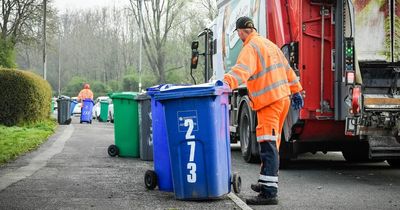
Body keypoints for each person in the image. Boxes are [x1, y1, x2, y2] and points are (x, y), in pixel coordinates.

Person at [223, 16, 304, 205]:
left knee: (267, 146)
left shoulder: (250, 47)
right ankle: (265, 181)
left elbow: (241, 71)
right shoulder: (269, 44)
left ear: (241, 31)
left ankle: (269, 193)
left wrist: (226, 83)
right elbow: (287, 69)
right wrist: (296, 90)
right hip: (282, 99)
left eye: (239, 33)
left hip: (269, 102)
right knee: (272, 144)